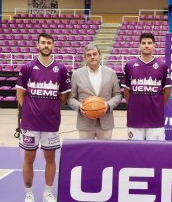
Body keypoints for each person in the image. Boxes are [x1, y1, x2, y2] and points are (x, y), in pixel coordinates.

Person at [16, 33, 71, 202]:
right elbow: (20, 95)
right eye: (43, 43)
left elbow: (64, 96)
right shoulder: (27, 67)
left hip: (51, 123)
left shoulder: (61, 69)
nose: (46, 45)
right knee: (29, 158)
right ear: (37, 45)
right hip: (30, 123)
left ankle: (47, 192)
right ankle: (29, 193)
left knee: (50, 158)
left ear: (53, 46)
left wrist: (51, 109)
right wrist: (29, 111)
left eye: (49, 43)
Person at [122, 33, 171, 140]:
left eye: (149, 43)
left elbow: (167, 91)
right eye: (143, 43)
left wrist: (159, 106)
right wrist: (134, 105)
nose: (146, 45)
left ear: (154, 46)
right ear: (139, 45)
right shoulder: (130, 65)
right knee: (134, 152)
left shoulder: (162, 65)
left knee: (156, 152)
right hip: (135, 118)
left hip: (155, 119)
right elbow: (126, 91)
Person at [67, 44, 121, 140]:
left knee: (105, 152)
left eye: (94, 54)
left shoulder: (111, 73)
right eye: (89, 55)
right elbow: (70, 98)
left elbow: (117, 95)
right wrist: (79, 106)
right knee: (86, 153)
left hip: (105, 122)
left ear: (99, 55)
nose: (92, 57)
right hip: (85, 122)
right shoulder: (76, 74)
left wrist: (108, 104)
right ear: (85, 57)